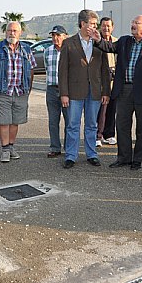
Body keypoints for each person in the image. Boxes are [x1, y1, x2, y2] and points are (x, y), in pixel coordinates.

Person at [93, 15, 142, 169]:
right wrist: (98, 40)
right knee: (122, 125)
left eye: (136, 23)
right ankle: (123, 158)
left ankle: (138, 159)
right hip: (124, 89)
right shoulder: (125, 41)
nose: (132, 25)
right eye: (132, 22)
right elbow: (109, 47)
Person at [59, 10, 110, 168]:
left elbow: (105, 70)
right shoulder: (69, 43)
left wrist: (106, 91)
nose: (96, 27)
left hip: (94, 91)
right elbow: (63, 71)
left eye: (96, 24)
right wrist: (64, 94)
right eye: (92, 24)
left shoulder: (99, 42)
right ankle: (71, 156)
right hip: (74, 92)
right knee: (73, 125)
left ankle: (92, 154)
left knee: (92, 125)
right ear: (82, 24)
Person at [0, 21, 36, 163]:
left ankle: (11, 146)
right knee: (4, 122)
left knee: (15, 122)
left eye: (15, 31)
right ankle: (5, 149)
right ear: (6, 32)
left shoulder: (26, 49)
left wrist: (28, 88)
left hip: (20, 91)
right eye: (9, 30)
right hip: (3, 91)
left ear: (20, 33)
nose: (12, 33)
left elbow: (31, 69)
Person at [45, 25, 69, 158]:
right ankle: (55, 147)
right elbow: (48, 69)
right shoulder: (47, 51)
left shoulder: (70, 50)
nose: (55, 38)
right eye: (53, 35)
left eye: (58, 35)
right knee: (53, 121)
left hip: (66, 90)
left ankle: (68, 147)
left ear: (65, 36)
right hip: (51, 89)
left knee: (69, 120)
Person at [96, 17, 117, 146]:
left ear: (112, 27)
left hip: (114, 79)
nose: (106, 28)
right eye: (103, 26)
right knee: (100, 109)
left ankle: (109, 134)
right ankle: (98, 135)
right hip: (101, 79)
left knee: (112, 108)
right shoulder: (96, 41)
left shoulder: (116, 41)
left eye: (108, 26)